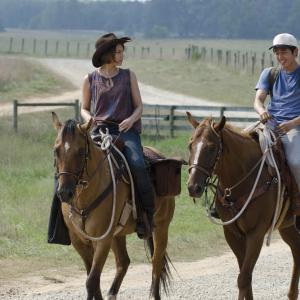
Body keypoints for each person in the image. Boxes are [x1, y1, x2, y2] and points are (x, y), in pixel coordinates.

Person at [81, 33, 155, 238]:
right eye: (118, 52)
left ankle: (146, 215)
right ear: (107, 54)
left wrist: (131, 120)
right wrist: (89, 119)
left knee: (138, 165)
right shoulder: (89, 79)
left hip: (126, 131)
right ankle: (65, 219)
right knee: (73, 163)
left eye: (122, 51)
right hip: (99, 131)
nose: (122, 55)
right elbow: (84, 108)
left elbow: (139, 106)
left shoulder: (129, 75)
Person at [254, 33, 300, 228]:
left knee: (295, 162)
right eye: (277, 53)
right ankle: (223, 198)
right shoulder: (269, 73)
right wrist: (262, 111)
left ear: (295, 52)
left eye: (284, 53)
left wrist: (292, 123)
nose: (281, 57)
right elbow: (258, 100)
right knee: (234, 144)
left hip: (294, 127)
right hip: (269, 124)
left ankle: (298, 204)